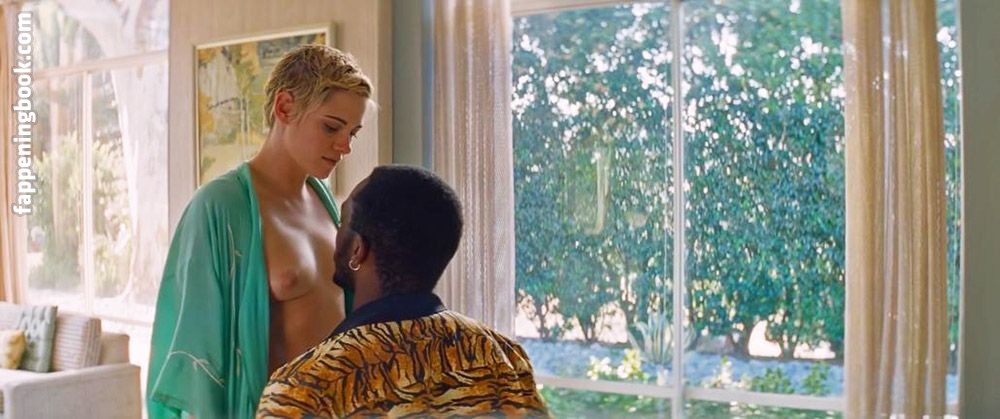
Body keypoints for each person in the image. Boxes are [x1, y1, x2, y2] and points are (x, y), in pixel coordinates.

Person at [147, 45, 373, 418]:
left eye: (353, 133)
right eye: (332, 127)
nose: (345, 146)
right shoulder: (219, 206)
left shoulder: (328, 205)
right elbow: (195, 354)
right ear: (284, 108)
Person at [256, 165, 550, 418]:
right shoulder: (502, 357)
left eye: (343, 222)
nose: (336, 233)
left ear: (357, 250)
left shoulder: (305, 388)